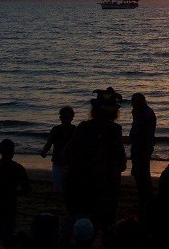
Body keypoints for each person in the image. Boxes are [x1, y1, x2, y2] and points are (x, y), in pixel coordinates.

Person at [62, 87, 127, 232]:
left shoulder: (84, 127)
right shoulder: (115, 130)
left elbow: (66, 153)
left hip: (82, 183)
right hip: (107, 185)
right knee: (105, 224)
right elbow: (122, 163)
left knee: (81, 220)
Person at [0, 138, 31, 246]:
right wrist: (13, 193)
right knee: (7, 227)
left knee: (3, 226)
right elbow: (27, 190)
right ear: (13, 152)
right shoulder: (17, 168)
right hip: (8, 203)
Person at [40, 106, 76, 193]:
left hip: (71, 164)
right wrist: (44, 151)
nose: (65, 119)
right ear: (60, 117)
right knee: (58, 189)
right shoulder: (55, 130)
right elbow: (48, 144)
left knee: (69, 188)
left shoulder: (75, 130)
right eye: (64, 116)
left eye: (68, 116)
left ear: (72, 118)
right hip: (58, 163)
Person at [129, 92, 156, 209]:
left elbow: (143, 133)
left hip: (142, 148)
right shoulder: (142, 112)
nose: (131, 104)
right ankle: (144, 199)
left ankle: (146, 200)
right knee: (140, 173)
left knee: (142, 174)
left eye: (133, 102)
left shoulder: (144, 114)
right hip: (140, 147)